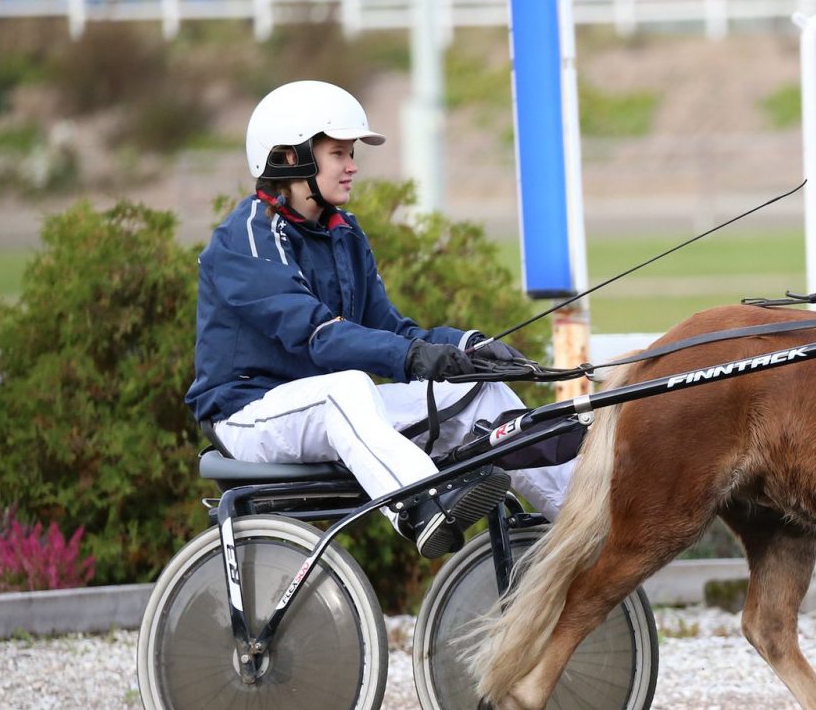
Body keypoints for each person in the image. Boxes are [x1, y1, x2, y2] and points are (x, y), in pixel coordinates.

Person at [185, 80, 575, 557]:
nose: (352, 166)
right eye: (338, 153)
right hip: (249, 416)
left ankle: (587, 517)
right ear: (290, 158)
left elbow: (391, 331)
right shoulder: (243, 239)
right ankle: (419, 506)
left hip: (333, 408)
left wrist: (470, 348)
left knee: (478, 390)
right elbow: (317, 337)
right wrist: (412, 357)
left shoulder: (343, 233)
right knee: (345, 387)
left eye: (352, 154)